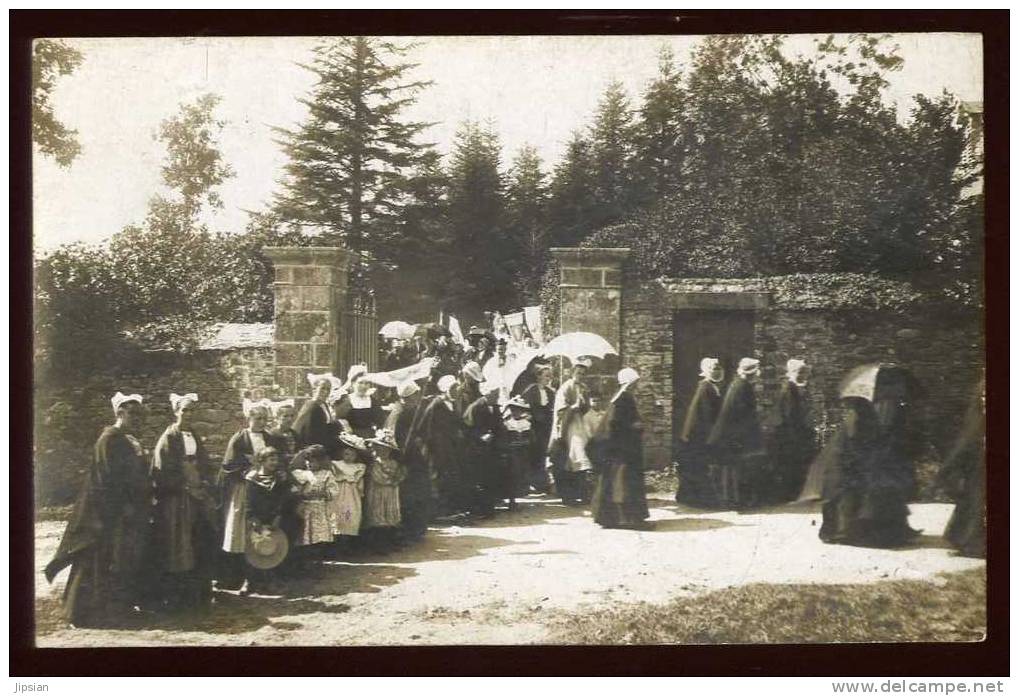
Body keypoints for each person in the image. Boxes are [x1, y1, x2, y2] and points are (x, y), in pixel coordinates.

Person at [45, 392, 153, 627]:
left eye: (139, 415)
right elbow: (107, 478)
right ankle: (81, 613)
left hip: (124, 509)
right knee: (93, 557)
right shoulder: (109, 438)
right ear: (119, 413)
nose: (137, 419)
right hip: (103, 511)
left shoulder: (128, 439)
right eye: (132, 414)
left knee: (116, 560)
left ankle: (113, 608)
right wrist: (122, 505)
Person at [150, 393, 220, 613]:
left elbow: (204, 462)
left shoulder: (194, 435)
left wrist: (205, 482)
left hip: (197, 493)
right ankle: (178, 595)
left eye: (192, 411)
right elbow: (162, 470)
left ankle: (198, 592)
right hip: (178, 498)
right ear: (176, 412)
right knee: (179, 543)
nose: (188, 414)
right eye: (184, 410)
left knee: (199, 538)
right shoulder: (169, 436)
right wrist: (186, 487)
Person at [220, 398, 281, 590]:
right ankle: (243, 577)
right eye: (258, 418)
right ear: (249, 419)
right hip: (244, 488)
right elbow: (228, 465)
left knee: (264, 529)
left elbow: (276, 460)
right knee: (244, 531)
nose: (262, 422)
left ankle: (264, 575)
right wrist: (247, 470)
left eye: (264, 418)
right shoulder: (239, 438)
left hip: (266, 488)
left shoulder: (269, 438)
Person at [591, 368, 651, 530]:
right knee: (623, 484)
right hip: (622, 451)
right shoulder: (622, 399)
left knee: (620, 482)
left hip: (625, 449)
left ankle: (620, 518)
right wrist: (634, 426)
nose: (636, 386)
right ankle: (626, 519)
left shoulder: (624, 398)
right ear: (628, 383)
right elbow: (614, 426)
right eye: (634, 383)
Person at [708, 357, 765, 509]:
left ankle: (732, 499)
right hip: (733, 434)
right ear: (752, 373)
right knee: (735, 467)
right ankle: (736, 500)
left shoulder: (738, 384)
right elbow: (743, 414)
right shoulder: (743, 387)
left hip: (730, 433)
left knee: (732, 467)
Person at [939, 379, 985, 558]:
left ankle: (975, 542)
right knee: (975, 499)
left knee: (979, 499)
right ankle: (970, 541)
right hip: (978, 461)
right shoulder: (977, 414)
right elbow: (969, 436)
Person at [766, 359, 818, 504]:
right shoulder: (789, 389)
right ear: (792, 373)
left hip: (794, 433)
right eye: (800, 372)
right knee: (790, 464)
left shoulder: (796, 389)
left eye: (805, 372)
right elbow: (790, 416)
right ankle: (789, 494)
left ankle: (794, 492)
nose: (804, 376)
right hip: (789, 435)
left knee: (795, 464)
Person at [677, 358, 724, 507]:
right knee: (698, 466)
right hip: (698, 434)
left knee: (698, 466)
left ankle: (693, 497)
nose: (717, 371)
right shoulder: (705, 387)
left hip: (700, 434)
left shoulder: (712, 386)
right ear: (707, 371)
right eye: (714, 369)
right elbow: (706, 414)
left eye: (718, 368)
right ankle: (696, 499)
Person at [418, 374, 468, 518]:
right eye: (452, 387)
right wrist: (433, 443)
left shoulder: (451, 404)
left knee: (450, 476)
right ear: (445, 389)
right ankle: (439, 511)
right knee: (439, 476)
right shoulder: (437, 404)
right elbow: (425, 426)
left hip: (450, 446)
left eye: (456, 387)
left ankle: (449, 508)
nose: (456, 390)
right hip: (438, 448)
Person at [390, 380, 433, 540]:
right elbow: (398, 438)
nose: (418, 398)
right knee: (410, 495)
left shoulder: (413, 411)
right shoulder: (400, 412)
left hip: (415, 457)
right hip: (406, 459)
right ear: (407, 397)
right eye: (415, 395)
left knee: (420, 492)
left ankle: (417, 527)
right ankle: (410, 529)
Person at [243, 446, 289, 593]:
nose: (274, 463)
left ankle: (271, 582)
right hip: (256, 518)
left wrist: (278, 516)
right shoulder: (252, 479)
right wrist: (252, 517)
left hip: (273, 518)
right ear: (262, 461)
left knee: (272, 548)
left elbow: (282, 500)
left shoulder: (279, 480)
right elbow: (248, 500)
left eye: (276, 459)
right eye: (271, 459)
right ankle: (250, 582)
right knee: (254, 549)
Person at [549, 357, 594, 505]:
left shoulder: (584, 388)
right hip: (568, 426)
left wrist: (584, 403)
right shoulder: (566, 387)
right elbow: (561, 409)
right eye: (578, 372)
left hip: (580, 424)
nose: (580, 376)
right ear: (572, 372)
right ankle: (568, 496)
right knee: (571, 458)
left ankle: (581, 493)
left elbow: (587, 408)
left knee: (581, 458)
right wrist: (574, 406)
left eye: (583, 373)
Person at [463, 381, 507, 517]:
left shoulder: (495, 407)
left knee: (491, 479)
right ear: (487, 394)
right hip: (478, 450)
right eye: (495, 394)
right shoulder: (475, 407)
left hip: (492, 450)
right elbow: (466, 428)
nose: (497, 397)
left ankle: (489, 509)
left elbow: (499, 426)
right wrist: (480, 436)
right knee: (479, 480)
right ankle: (479, 509)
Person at [289, 445, 339, 555]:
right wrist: (301, 493)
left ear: (320, 461)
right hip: (306, 507)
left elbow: (334, 490)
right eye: (307, 461)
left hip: (320, 507)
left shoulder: (326, 474)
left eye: (313, 461)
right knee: (306, 531)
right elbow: (295, 488)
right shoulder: (301, 474)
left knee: (319, 532)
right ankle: (306, 553)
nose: (309, 464)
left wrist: (324, 493)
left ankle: (319, 552)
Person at [363, 430, 407, 548]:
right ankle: (379, 543)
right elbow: (377, 477)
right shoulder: (375, 463)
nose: (384, 452)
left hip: (391, 492)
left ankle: (390, 540)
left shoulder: (393, 463)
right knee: (378, 514)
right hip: (378, 491)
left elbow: (401, 474)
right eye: (381, 448)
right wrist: (391, 481)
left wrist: (397, 479)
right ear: (376, 449)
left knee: (390, 514)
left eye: (387, 449)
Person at [521, 364, 555, 493]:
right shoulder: (531, 390)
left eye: (550, 376)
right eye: (546, 376)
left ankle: (541, 483)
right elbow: (523, 407)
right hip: (533, 427)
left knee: (542, 455)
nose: (548, 378)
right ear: (539, 376)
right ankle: (531, 483)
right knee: (533, 455)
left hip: (545, 427)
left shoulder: (550, 392)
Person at [293, 373, 342, 456]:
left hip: (324, 444)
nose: (325, 392)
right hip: (313, 446)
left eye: (328, 389)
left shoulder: (324, 405)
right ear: (314, 389)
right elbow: (303, 427)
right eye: (322, 389)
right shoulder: (311, 406)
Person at [334, 364, 386, 438]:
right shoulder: (345, 400)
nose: (364, 386)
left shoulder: (372, 401)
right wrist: (345, 425)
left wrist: (379, 431)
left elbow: (380, 421)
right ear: (353, 384)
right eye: (360, 383)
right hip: (350, 437)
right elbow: (338, 419)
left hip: (370, 436)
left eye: (366, 383)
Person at [501, 395, 533, 510]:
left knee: (520, 475)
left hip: (522, 453)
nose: (516, 412)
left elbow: (531, 439)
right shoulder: (507, 423)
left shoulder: (526, 423)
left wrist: (525, 442)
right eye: (513, 409)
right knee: (511, 475)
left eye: (518, 409)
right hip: (511, 453)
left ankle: (517, 497)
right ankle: (511, 500)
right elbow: (504, 439)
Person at [270, 399, 299, 463]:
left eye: (292, 416)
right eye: (285, 416)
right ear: (277, 417)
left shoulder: (294, 434)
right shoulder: (272, 435)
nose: (289, 419)